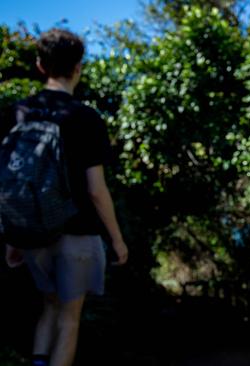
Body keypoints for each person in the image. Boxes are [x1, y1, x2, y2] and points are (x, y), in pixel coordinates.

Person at [1, 29, 128, 366]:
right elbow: (95, 190)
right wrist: (116, 240)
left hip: (31, 235)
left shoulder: (18, 112)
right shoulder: (86, 117)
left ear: (40, 65)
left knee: (49, 307)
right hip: (78, 235)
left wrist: (11, 234)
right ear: (78, 68)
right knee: (70, 318)